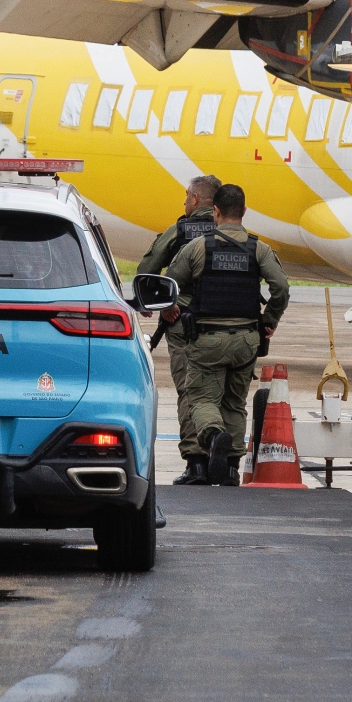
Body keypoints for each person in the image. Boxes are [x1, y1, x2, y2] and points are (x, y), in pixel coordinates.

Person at [163, 183, 289, 485]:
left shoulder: (197, 247)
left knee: (201, 400)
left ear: (215, 211)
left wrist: (169, 309)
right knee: (235, 402)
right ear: (244, 211)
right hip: (246, 339)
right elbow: (281, 288)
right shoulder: (259, 249)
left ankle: (213, 435)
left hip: (207, 338)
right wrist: (268, 319)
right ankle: (231, 468)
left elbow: (170, 283)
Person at [138, 174, 222, 485]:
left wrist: (161, 302)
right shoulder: (233, 234)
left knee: (190, 392)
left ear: (197, 200)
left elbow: (147, 271)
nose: (184, 202)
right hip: (230, 326)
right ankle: (227, 466)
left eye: (187, 196)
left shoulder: (180, 230)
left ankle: (197, 463)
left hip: (183, 324)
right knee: (224, 394)